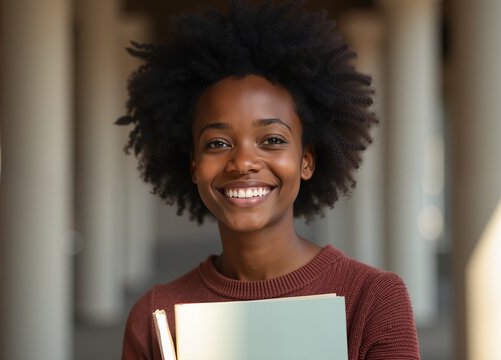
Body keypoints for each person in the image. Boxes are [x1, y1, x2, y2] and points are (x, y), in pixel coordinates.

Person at [117, 1, 420, 359]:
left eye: (272, 140)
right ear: (194, 166)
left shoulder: (371, 300)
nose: (243, 161)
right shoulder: (156, 317)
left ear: (306, 160)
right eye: (217, 143)